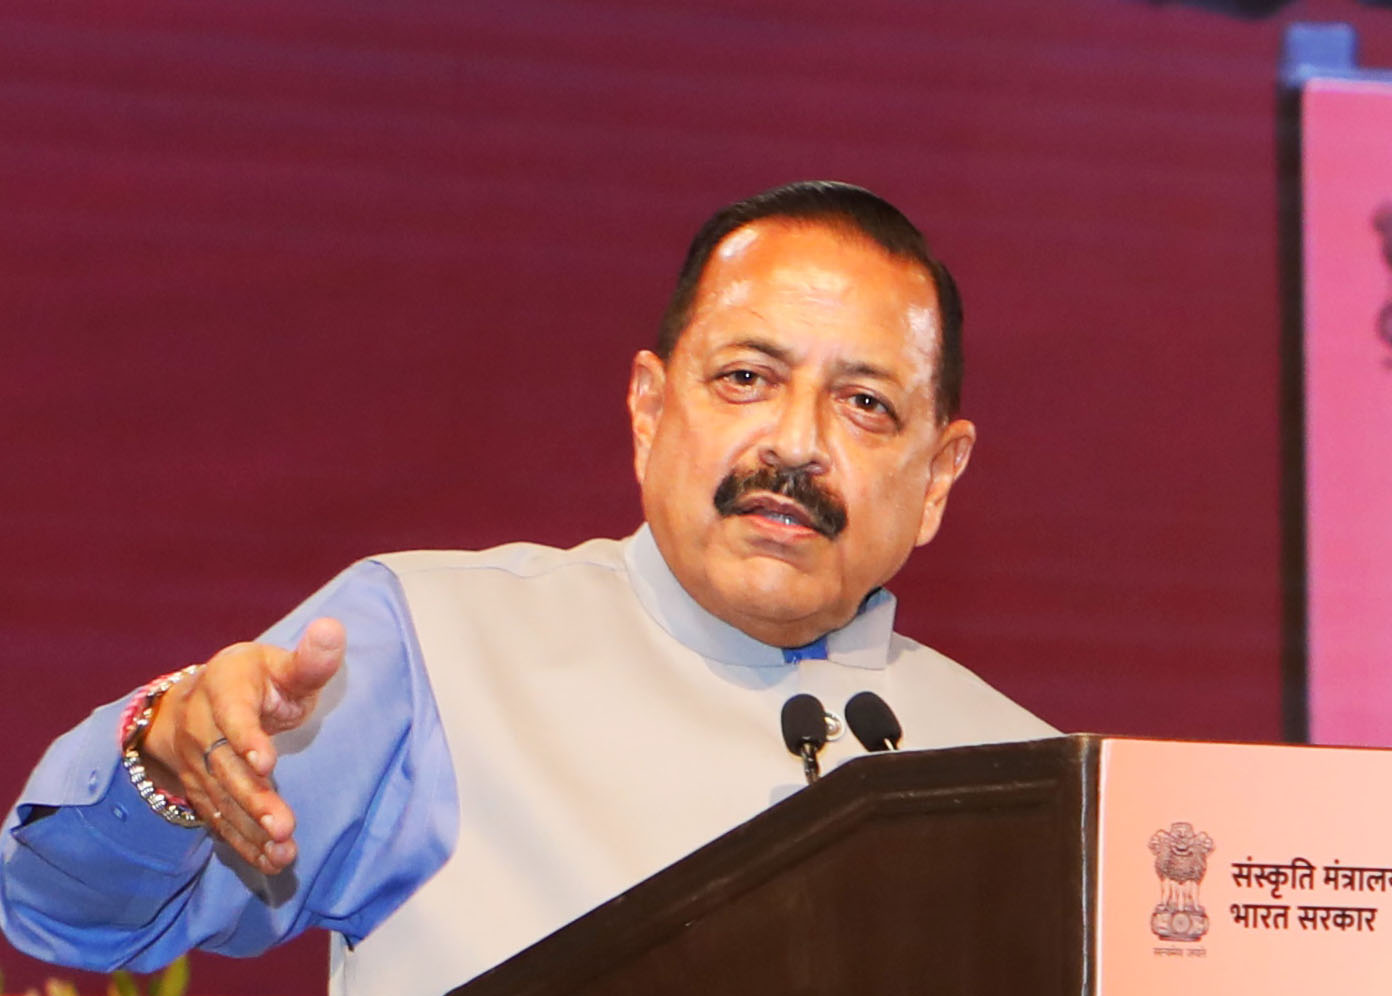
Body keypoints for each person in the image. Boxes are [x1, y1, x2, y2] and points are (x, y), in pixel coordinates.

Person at [1, 181, 1055, 995]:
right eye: (747, 378)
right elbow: (63, 911)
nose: (795, 443)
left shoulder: (1039, 781)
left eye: (865, 404)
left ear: (937, 476)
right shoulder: (431, 647)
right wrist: (166, 762)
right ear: (649, 409)